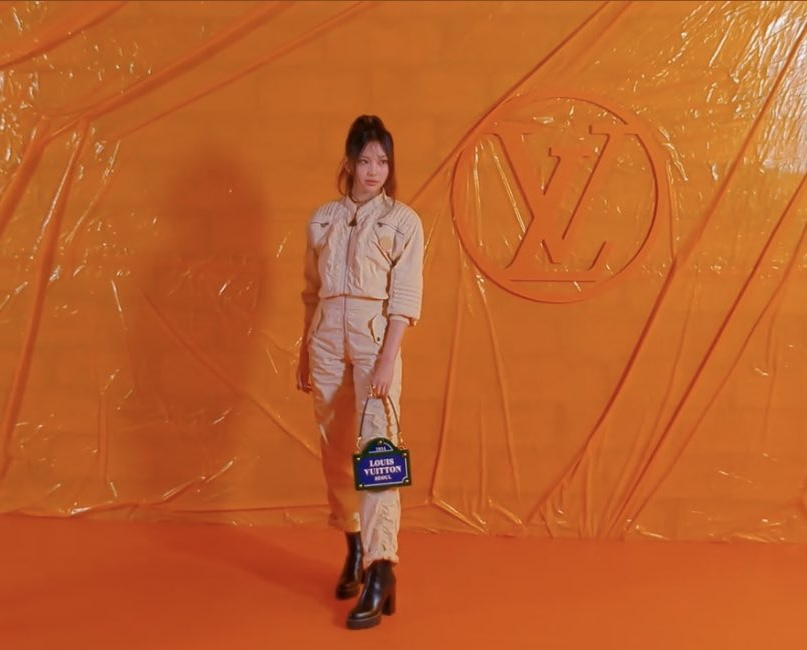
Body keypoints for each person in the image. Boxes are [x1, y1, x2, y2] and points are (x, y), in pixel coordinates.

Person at [296, 115, 424, 630]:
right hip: (326, 339)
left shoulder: (403, 222)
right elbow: (311, 291)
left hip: (375, 343)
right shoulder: (322, 219)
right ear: (349, 163)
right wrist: (304, 349)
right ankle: (353, 544)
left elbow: (406, 296)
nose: (374, 170)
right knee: (334, 450)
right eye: (365, 160)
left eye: (383, 161)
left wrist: (388, 359)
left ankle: (380, 567)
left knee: (378, 453)